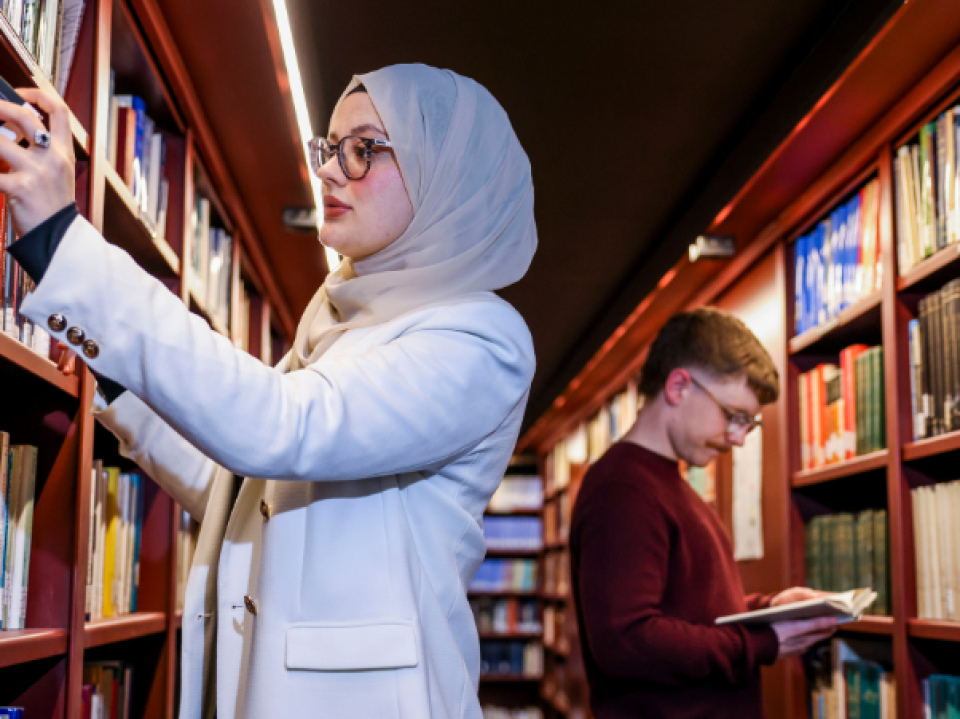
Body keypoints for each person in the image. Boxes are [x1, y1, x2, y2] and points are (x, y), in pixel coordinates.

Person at [0, 64, 537, 719]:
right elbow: (237, 486)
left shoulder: (481, 337)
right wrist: (119, 373)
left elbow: (282, 429)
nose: (331, 171)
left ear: (447, 177)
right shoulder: (336, 323)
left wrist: (65, 247)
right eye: (330, 147)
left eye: (364, 149)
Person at [569, 308, 837, 719]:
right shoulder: (621, 489)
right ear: (678, 386)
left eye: (750, 424)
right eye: (734, 416)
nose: (739, 438)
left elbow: (691, 613)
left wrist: (769, 607)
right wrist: (762, 642)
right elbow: (627, 640)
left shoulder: (670, 485)